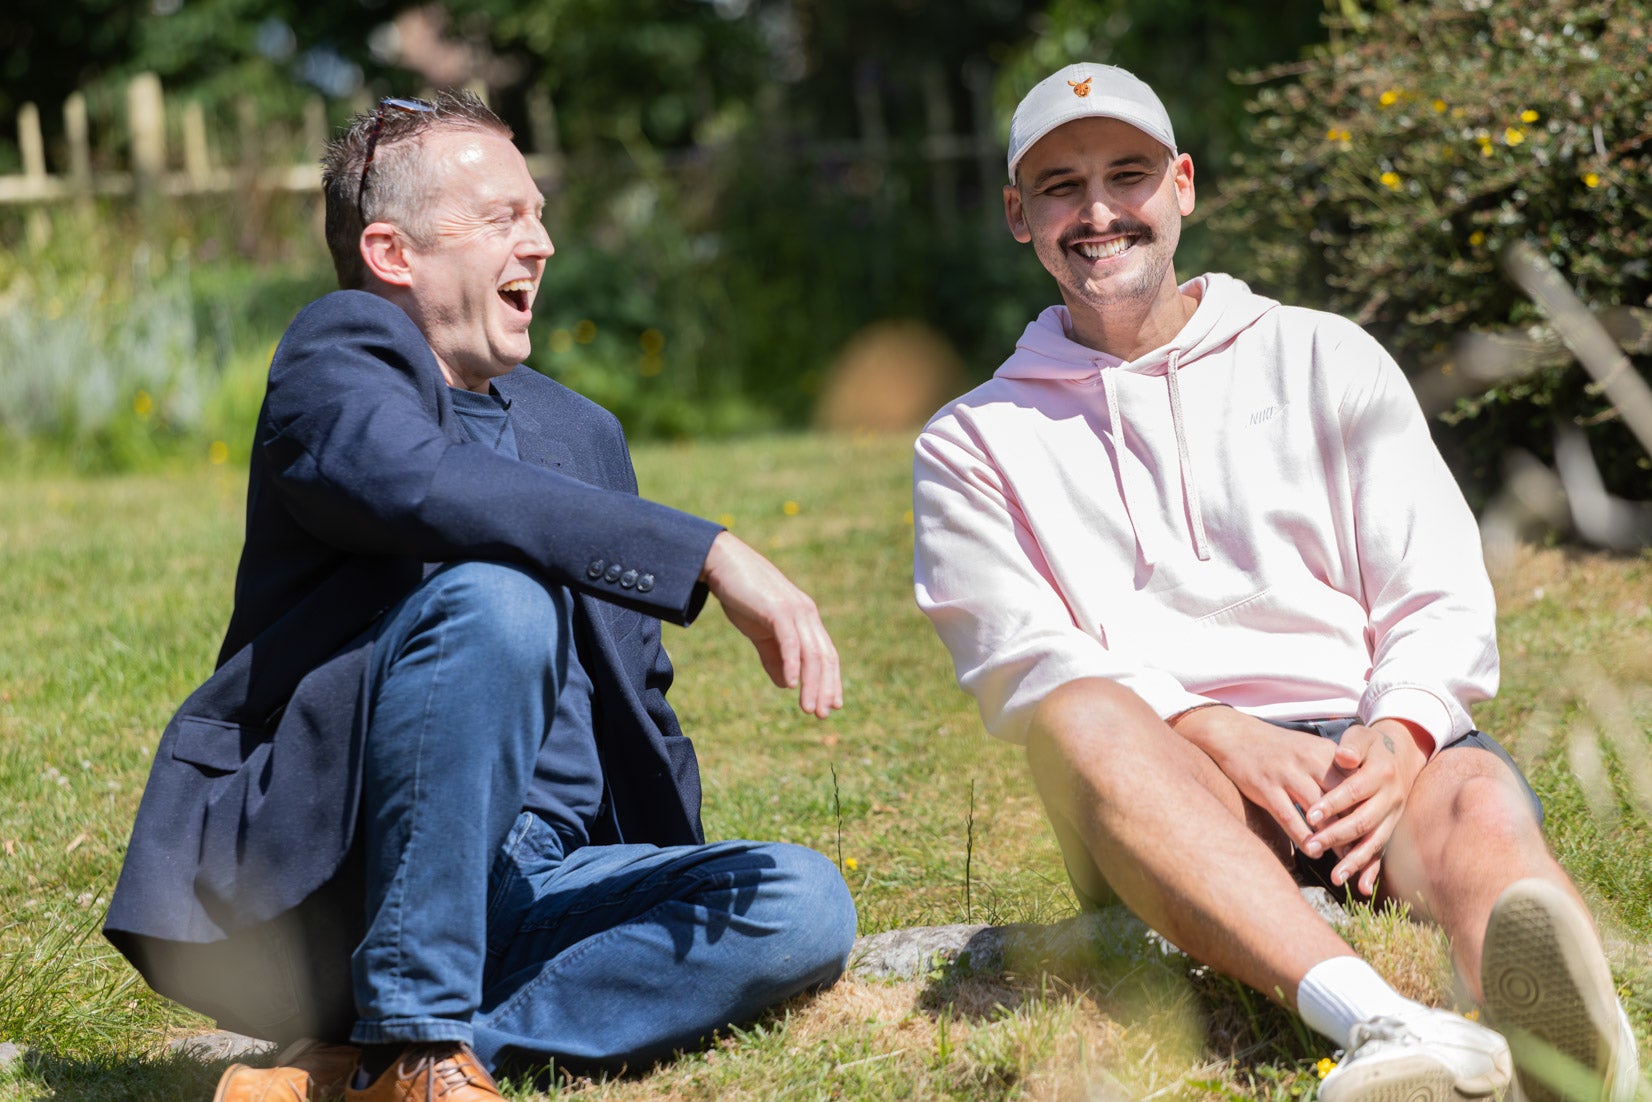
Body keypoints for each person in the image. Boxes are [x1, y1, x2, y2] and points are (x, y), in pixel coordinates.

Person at [104, 91, 857, 1102]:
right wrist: (708, 550)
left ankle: (381, 1068)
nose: (541, 243)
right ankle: (414, 1041)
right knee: (500, 602)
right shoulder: (335, 363)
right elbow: (417, 483)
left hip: (535, 880)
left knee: (797, 901)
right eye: (504, 217)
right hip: (349, 875)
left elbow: (638, 700)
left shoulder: (580, 433)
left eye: (539, 213)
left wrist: (660, 891)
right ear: (392, 253)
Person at [912, 62, 1641, 1102]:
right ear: (1016, 214)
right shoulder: (969, 442)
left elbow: (1434, 583)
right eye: (1061, 186)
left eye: (1127, 174)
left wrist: (1397, 732)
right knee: (1076, 716)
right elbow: (1017, 655)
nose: (1099, 211)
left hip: (1361, 753)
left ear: (1183, 188)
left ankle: (1562, 1061)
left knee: (1477, 797)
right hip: (1165, 778)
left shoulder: (1321, 355)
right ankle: (1383, 1024)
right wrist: (1214, 726)